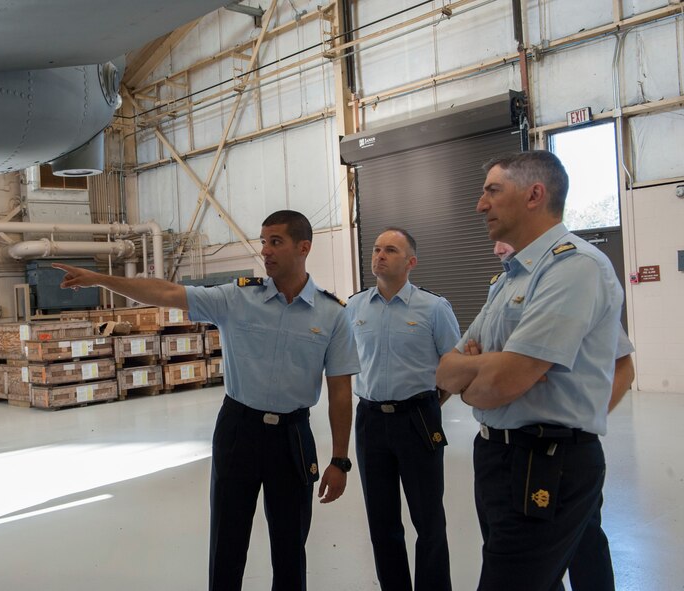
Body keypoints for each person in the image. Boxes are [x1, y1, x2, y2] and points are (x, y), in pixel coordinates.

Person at [53, 210, 360, 591]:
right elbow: (165, 291)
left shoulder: (332, 315)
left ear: (304, 247)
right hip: (239, 430)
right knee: (227, 543)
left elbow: (340, 391)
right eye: (263, 241)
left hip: (292, 437)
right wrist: (101, 279)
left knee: (290, 545)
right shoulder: (236, 298)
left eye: (275, 242)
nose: (265, 251)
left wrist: (340, 460)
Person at [435, 151, 624, 591]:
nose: (480, 205)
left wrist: (486, 374)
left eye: (492, 191)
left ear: (535, 194)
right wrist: (488, 369)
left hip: (546, 461)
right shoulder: (511, 278)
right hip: (499, 457)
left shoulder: (575, 268)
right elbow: (445, 369)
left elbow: (502, 382)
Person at [489, 241, 635, 590]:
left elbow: (623, 367)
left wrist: (583, 420)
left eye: (507, 241)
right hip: (513, 451)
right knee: (529, 559)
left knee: (585, 542)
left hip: (563, 452)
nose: (497, 249)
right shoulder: (502, 287)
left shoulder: (574, 284)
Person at [346, 228, 459, 591]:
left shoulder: (434, 308)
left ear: (411, 262)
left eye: (390, 250)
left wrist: (426, 403)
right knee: (382, 522)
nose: (379, 255)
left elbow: (454, 367)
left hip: (418, 419)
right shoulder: (354, 307)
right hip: (370, 421)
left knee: (428, 520)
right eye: (377, 249)